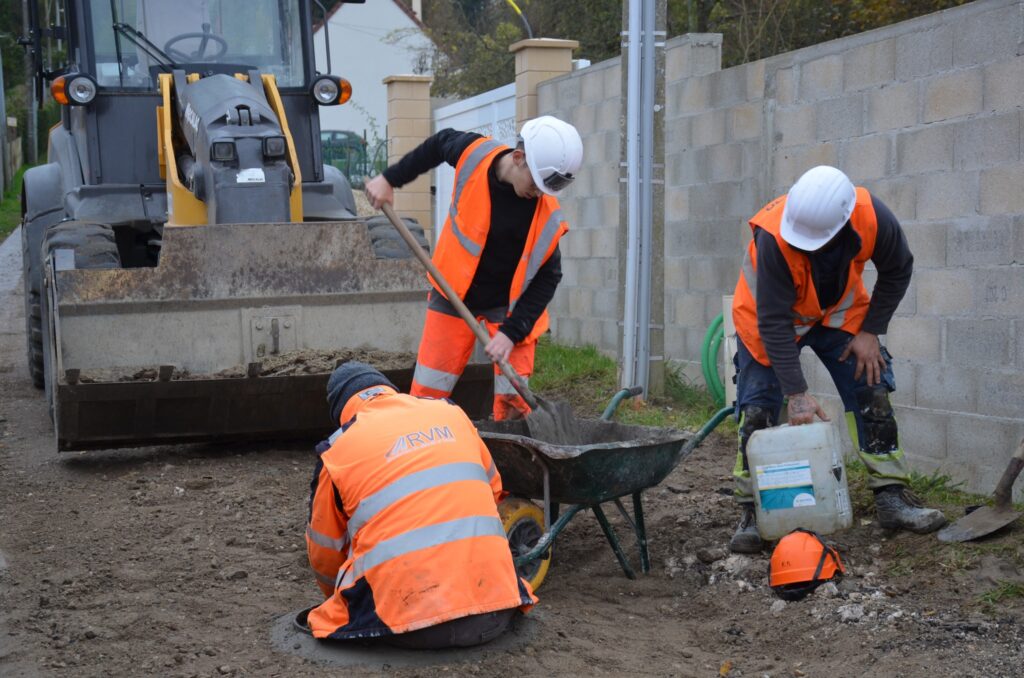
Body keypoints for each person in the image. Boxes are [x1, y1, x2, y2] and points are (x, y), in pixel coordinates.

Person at [728, 165, 946, 553]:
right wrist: (796, 393)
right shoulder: (774, 237)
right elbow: (775, 321)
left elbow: (899, 268)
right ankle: (751, 508)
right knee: (758, 408)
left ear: (844, 222)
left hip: (835, 314)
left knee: (871, 384)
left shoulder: (871, 216)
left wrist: (870, 331)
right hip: (770, 322)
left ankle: (891, 496)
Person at [304, 361, 537, 648]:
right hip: (498, 607)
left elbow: (325, 554)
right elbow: (494, 491)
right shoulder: (451, 413)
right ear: (387, 389)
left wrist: (339, 598)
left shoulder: (338, 451)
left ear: (341, 413)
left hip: (404, 626)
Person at [365, 116, 583, 420]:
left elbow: (549, 277)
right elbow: (437, 145)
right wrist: (390, 179)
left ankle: (509, 452)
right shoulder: (473, 155)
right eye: (535, 184)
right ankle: (424, 451)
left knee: (514, 398)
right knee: (428, 392)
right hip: (452, 291)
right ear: (518, 158)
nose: (539, 194)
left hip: (511, 308)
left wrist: (511, 332)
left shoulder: (547, 216)